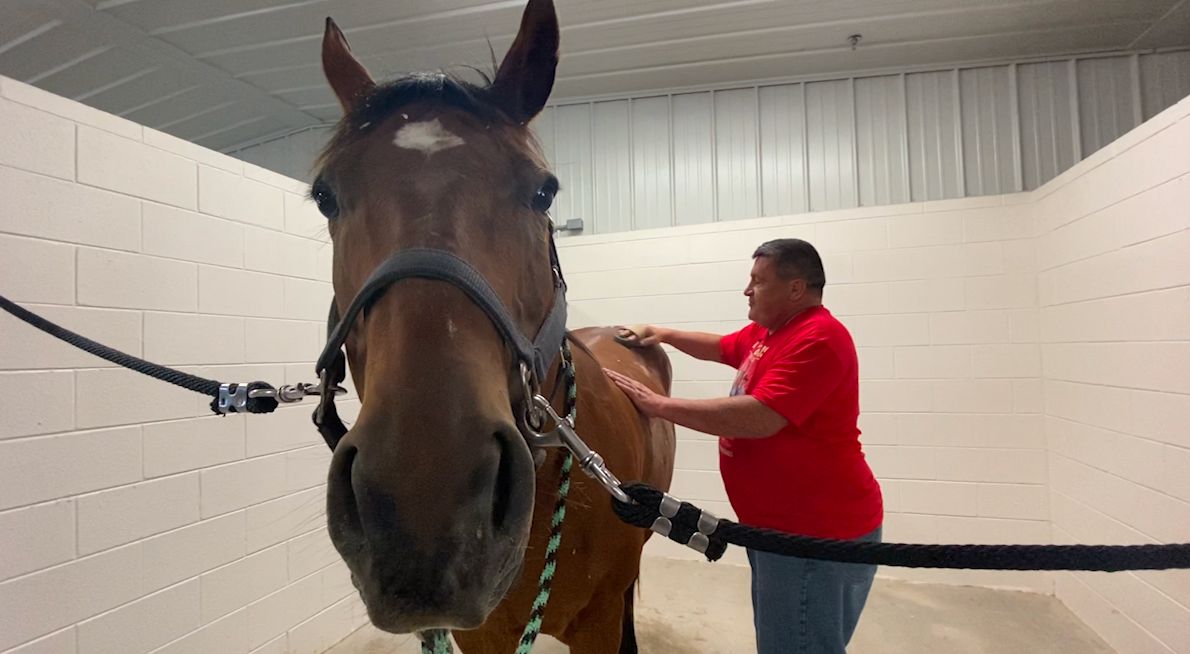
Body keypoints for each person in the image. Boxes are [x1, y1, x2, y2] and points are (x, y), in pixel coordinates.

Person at [604, 237, 883, 654]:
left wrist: (658, 406)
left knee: (797, 646)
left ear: (795, 288)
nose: (747, 290)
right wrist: (663, 333)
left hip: (814, 538)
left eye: (758, 281)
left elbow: (760, 416)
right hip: (779, 531)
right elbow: (721, 346)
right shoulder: (772, 332)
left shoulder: (819, 338)